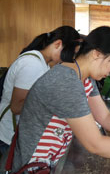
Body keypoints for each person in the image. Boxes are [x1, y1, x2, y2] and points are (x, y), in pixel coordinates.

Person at [0, 26, 110, 174]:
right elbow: (94, 144)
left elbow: (104, 117)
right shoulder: (65, 80)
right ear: (97, 54)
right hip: (31, 168)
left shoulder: (83, 78)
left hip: (50, 162)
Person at [0, 26, 80, 155]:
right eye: (69, 52)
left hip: (17, 133)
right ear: (58, 44)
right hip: (10, 135)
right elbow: (16, 107)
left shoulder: (42, 63)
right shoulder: (32, 64)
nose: (69, 58)